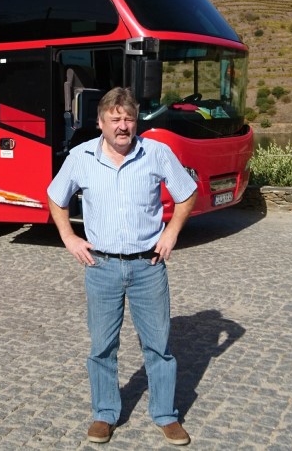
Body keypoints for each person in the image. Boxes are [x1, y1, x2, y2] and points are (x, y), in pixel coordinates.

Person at [47, 87, 197, 446]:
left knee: (158, 346)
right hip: (101, 267)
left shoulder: (156, 153)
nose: (122, 126)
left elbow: (187, 193)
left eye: (128, 118)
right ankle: (104, 413)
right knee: (102, 345)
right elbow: (56, 197)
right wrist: (69, 237)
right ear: (100, 123)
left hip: (149, 265)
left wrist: (172, 232)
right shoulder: (81, 157)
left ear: (136, 121)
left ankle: (164, 415)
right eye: (114, 119)